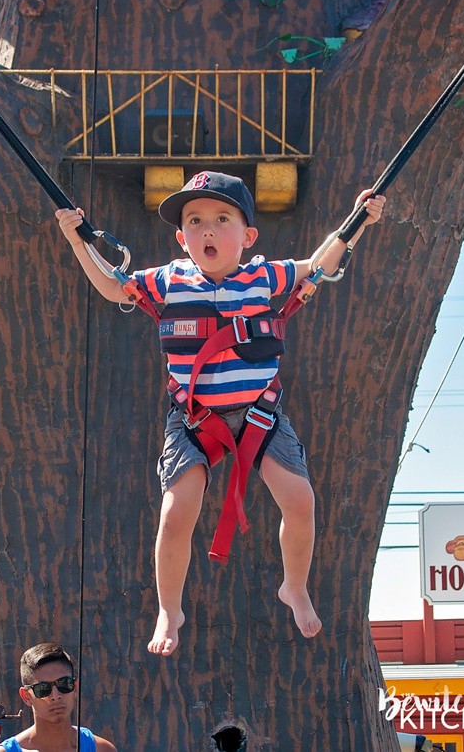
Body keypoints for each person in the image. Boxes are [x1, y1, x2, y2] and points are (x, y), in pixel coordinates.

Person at [56, 171, 386, 657]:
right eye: (195, 221)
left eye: (221, 219)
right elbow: (111, 287)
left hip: (259, 413)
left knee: (300, 500)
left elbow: (319, 263)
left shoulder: (263, 276)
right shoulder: (168, 280)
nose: (207, 230)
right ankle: (171, 608)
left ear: (248, 236)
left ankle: (293, 586)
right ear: (180, 237)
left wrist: (359, 220)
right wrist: (76, 238)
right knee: (175, 514)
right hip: (196, 419)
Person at [0, 643, 117, 752]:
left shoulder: (102, 749)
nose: (55, 696)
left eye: (64, 684)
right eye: (43, 688)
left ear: (75, 687)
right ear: (26, 696)